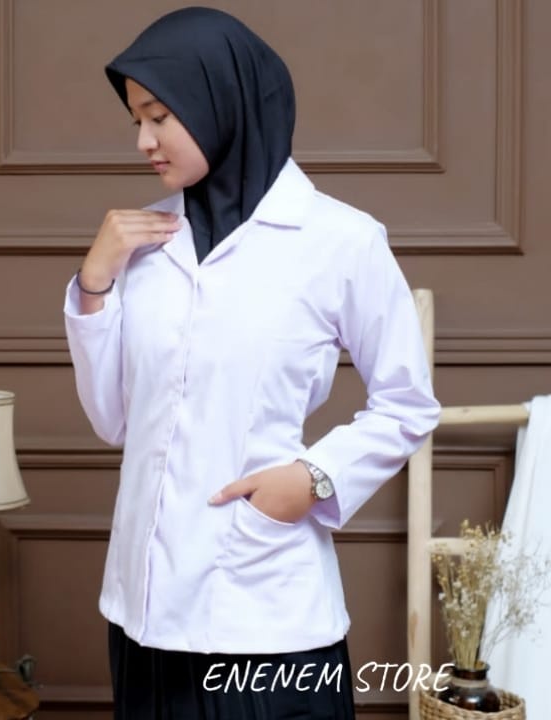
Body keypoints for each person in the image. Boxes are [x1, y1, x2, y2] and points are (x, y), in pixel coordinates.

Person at [64, 7, 440, 719]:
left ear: (222, 101)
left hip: (266, 618)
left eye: (160, 116)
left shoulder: (340, 241)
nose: (144, 141)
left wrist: (312, 478)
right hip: (142, 616)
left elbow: (408, 402)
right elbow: (115, 421)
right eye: (136, 120)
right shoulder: (142, 246)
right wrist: (94, 284)